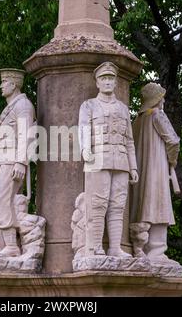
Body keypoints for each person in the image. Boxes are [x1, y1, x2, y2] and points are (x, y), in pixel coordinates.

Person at [78, 62, 139, 258]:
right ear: (97, 82)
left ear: (115, 82)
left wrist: (133, 167)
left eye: (110, 78)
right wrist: (86, 149)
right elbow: (84, 129)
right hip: (98, 159)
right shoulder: (89, 105)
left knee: (117, 205)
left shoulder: (123, 109)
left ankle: (115, 248)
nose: (107, 82)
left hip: (121, 162)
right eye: (103, 78)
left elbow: (129, 139)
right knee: (98, 203)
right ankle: (95, 247)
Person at [130, 82, 180, 262]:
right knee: (158, 204)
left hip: (140, 169)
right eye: (161, 97)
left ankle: (140, 246)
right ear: (157, 100)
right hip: (157, 167)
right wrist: (172, 161)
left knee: (143, 204)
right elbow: (173, 141)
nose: (164, 100)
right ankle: (157, 251)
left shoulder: (138, 120)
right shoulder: (157, 114)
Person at [0, 68, 35, 258]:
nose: (1, 85)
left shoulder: (23, 105)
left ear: (14, 84)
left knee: (3, 200)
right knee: (2, 201)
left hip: (14, 161)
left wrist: (21, 163)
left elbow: (25, 136)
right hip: (6, 160)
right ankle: (11, 243)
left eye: (4, 82)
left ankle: (12, 245)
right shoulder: (12, 107)